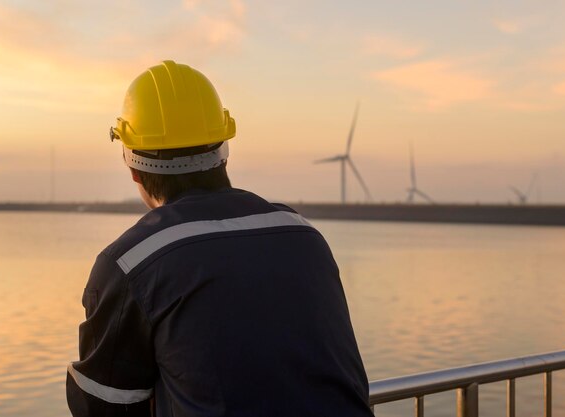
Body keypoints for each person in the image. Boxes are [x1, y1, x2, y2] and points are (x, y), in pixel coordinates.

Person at [66, 60, 374, 417]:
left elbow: (104, 408)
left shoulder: (130, 264)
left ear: (132, 165)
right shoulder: (304, 236)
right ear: (223, 149)